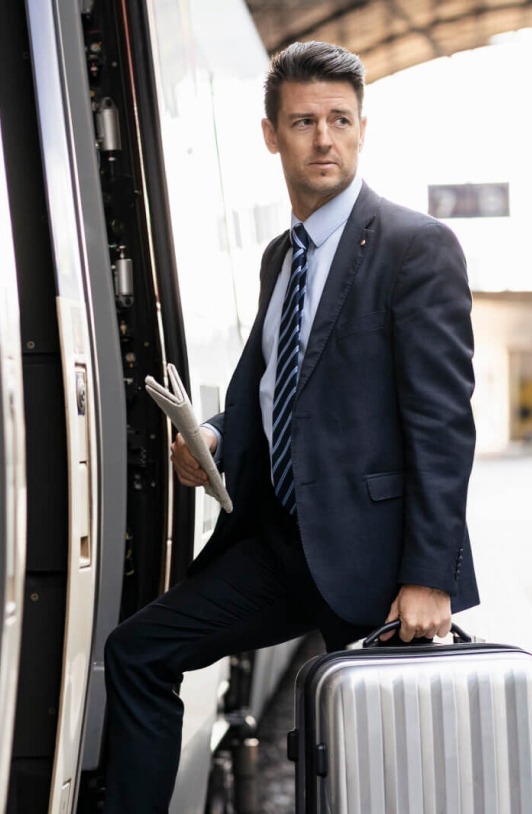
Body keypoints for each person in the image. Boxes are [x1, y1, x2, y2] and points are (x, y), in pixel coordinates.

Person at [103, 40, 479, 813]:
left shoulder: (416, 248)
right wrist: (210, 435)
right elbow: (271, 387)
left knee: (379, 759)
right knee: (139, 651)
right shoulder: (284, 257)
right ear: (272, 133)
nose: (324, 137)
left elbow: (443, 424)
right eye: (304, 121)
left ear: (363, 128)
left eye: (340, 119)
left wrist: (429, 576)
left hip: (375, 563)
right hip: (279, 545)